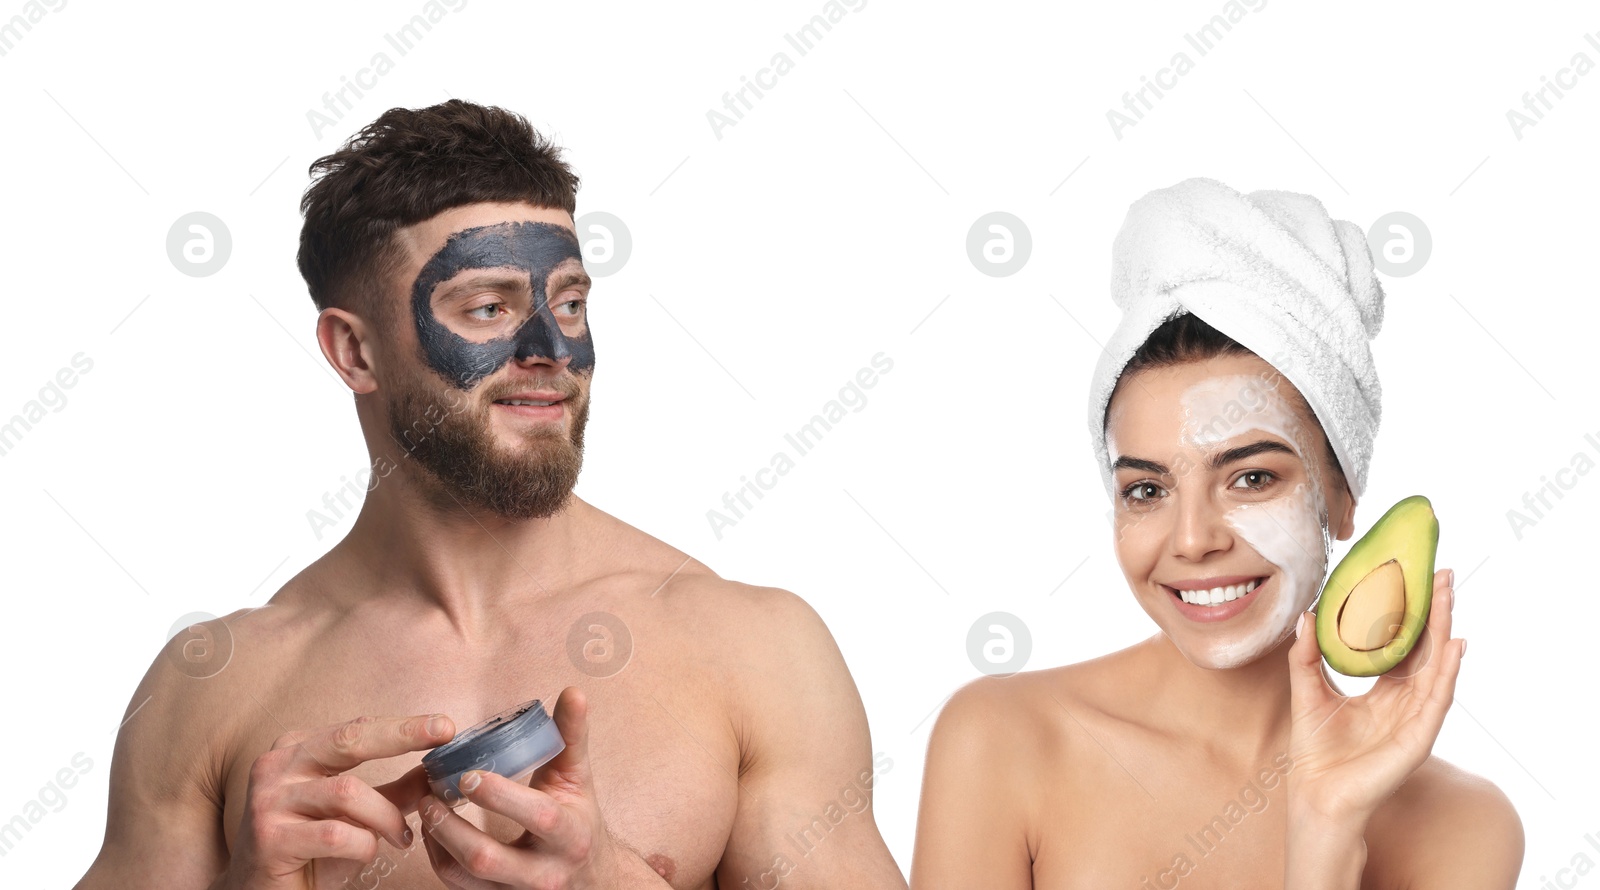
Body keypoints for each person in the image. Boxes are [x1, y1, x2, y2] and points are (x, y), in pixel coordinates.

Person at [75, 99, 906, 890]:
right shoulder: (217, 689)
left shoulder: (754, 650)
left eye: (571, 303)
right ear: (354, 352)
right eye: (485, 307)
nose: (550, 348)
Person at [909, 178, 1522, 888]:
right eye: (1147, 490)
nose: (1193, 540)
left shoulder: (1464, 825)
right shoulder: (1002, 740)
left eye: (1251, 478)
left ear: (1342, 497)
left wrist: (1325, 827)